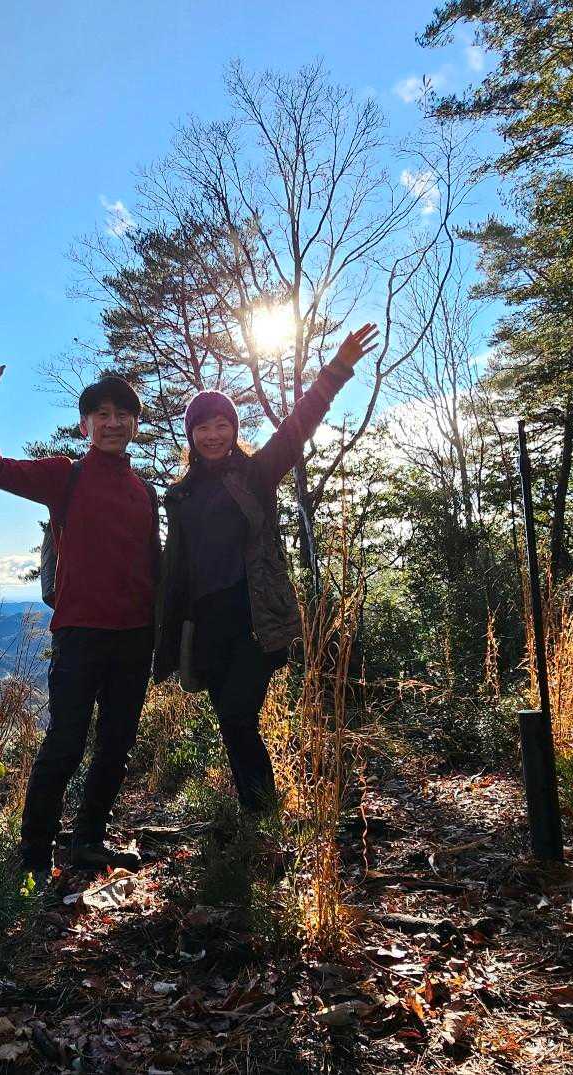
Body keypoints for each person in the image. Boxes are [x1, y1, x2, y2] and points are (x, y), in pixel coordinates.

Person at [153, 324, 380, 816]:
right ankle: (257, 815)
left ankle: (262, 814)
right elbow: (175, 566)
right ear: (191, 435)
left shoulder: (256, 475)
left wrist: (337, 369)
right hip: (206, 626)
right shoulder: (180, 495)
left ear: (234, 430)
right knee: (232, 723)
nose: (213, 435)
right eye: (203, 428)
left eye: (222, 425)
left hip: (255, 621)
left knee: (238, 714)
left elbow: (299, 425)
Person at [0, 340, 160, 877]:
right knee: (66, 744)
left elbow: (154, 568)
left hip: (135, 636)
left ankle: (89, 840)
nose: (113, 423)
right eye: (102, 414)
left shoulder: (144, 492)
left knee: (116, 746)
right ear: (85, 425)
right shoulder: (64, 475)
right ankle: (33, 856)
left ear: (135, 424)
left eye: (123, 415)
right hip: (79, 634)